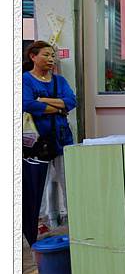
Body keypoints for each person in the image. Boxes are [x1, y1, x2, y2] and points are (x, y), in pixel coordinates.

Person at [22, 40, 77, 246]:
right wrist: (58, 107)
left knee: (67, 181)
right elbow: (26, 104)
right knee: (40, 186)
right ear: (33, 56)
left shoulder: (59, 81)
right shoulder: (25, 80)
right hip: (36, 144)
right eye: (46, 54)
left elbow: (71, 102)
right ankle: (44, 224)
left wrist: (43, 101)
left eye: (52, 55)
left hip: (62, 139)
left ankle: (73, 223)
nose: (51, 59)